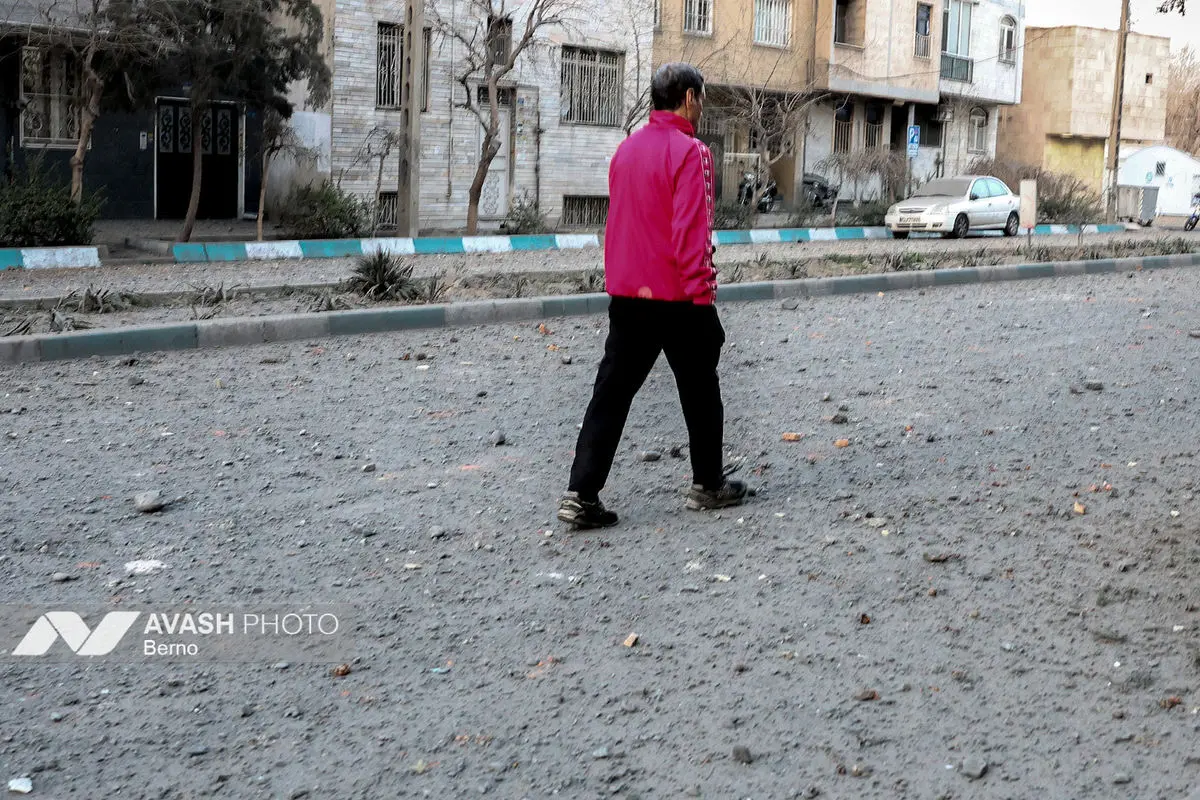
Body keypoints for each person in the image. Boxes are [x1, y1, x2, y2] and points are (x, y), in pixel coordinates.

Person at [557, 62, 748, 530]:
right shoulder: (693, 152)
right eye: (701, 97)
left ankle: (581, 495)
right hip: (679, 297)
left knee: (611, 395)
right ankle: (708, 485)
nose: (702, 106)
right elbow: (691, 233)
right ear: (687, 97)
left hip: (628, 298)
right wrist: (704, 296)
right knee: (702, 392)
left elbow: (622, 223)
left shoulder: (625, 150)